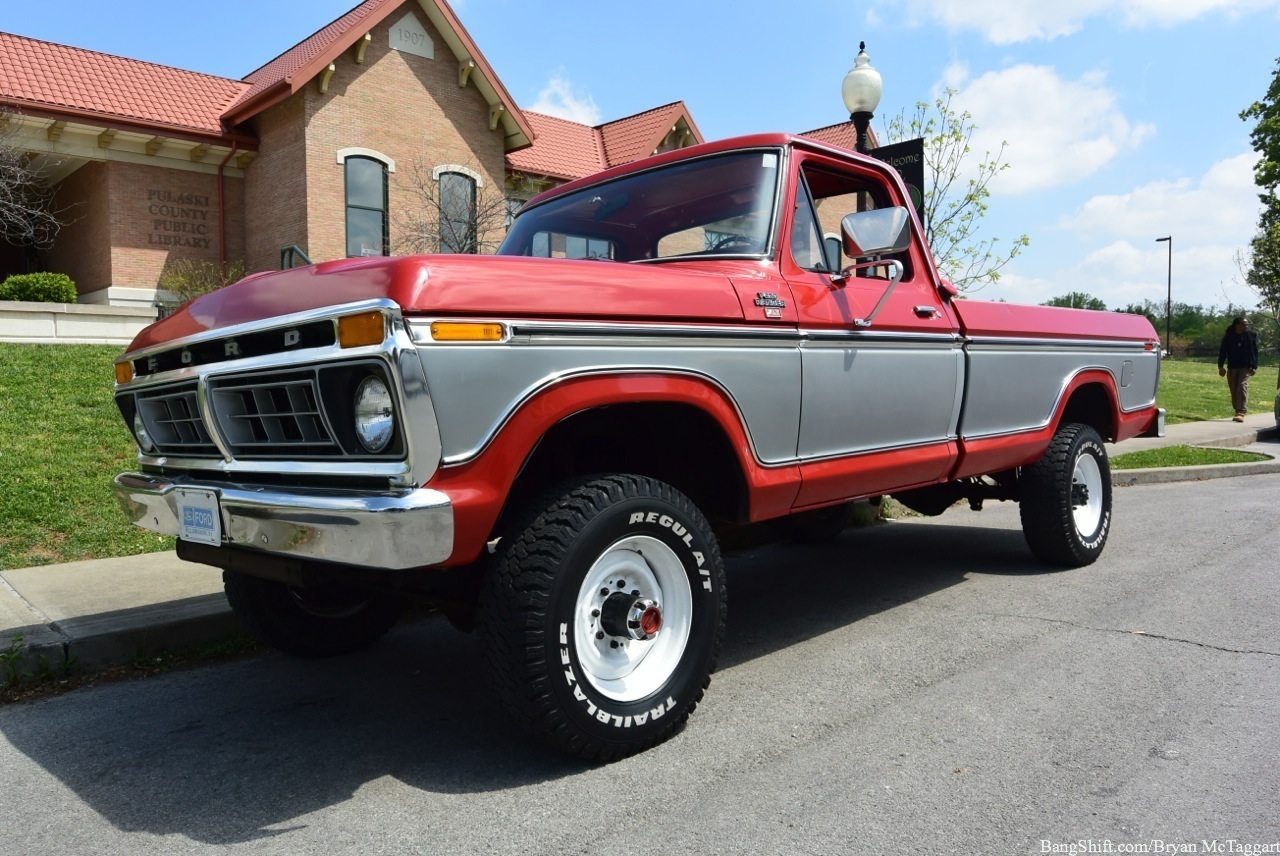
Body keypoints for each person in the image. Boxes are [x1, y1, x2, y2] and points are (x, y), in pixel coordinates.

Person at [1218, 314, 1259, 422]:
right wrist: (1220, 366)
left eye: (1247, 325)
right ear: (1237, 325)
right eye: (1244, 324)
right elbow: (1223, 352)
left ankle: (1241, 412)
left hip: (1246, 367)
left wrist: (1254, 366)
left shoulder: (1250, 335)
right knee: (1234, 389)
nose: (1246, 326)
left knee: (1242, 386)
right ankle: (1237, 410)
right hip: (1232, 367)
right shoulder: (1228, 337)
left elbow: (1254, 352)